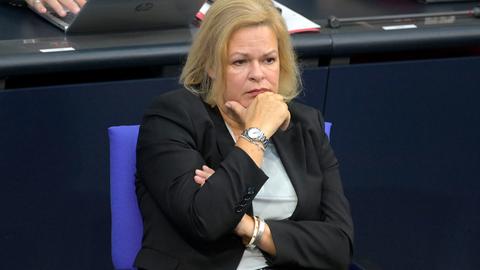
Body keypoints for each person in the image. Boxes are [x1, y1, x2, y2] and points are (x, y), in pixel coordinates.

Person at [135, 0, 354, 269]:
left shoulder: (305, 124)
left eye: (269, 60)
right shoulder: (172, 117)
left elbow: (338, 247)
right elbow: (206, 220)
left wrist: (248, 226)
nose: (258, 75)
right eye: (240, 62)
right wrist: (257, 134)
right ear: (211, 66)